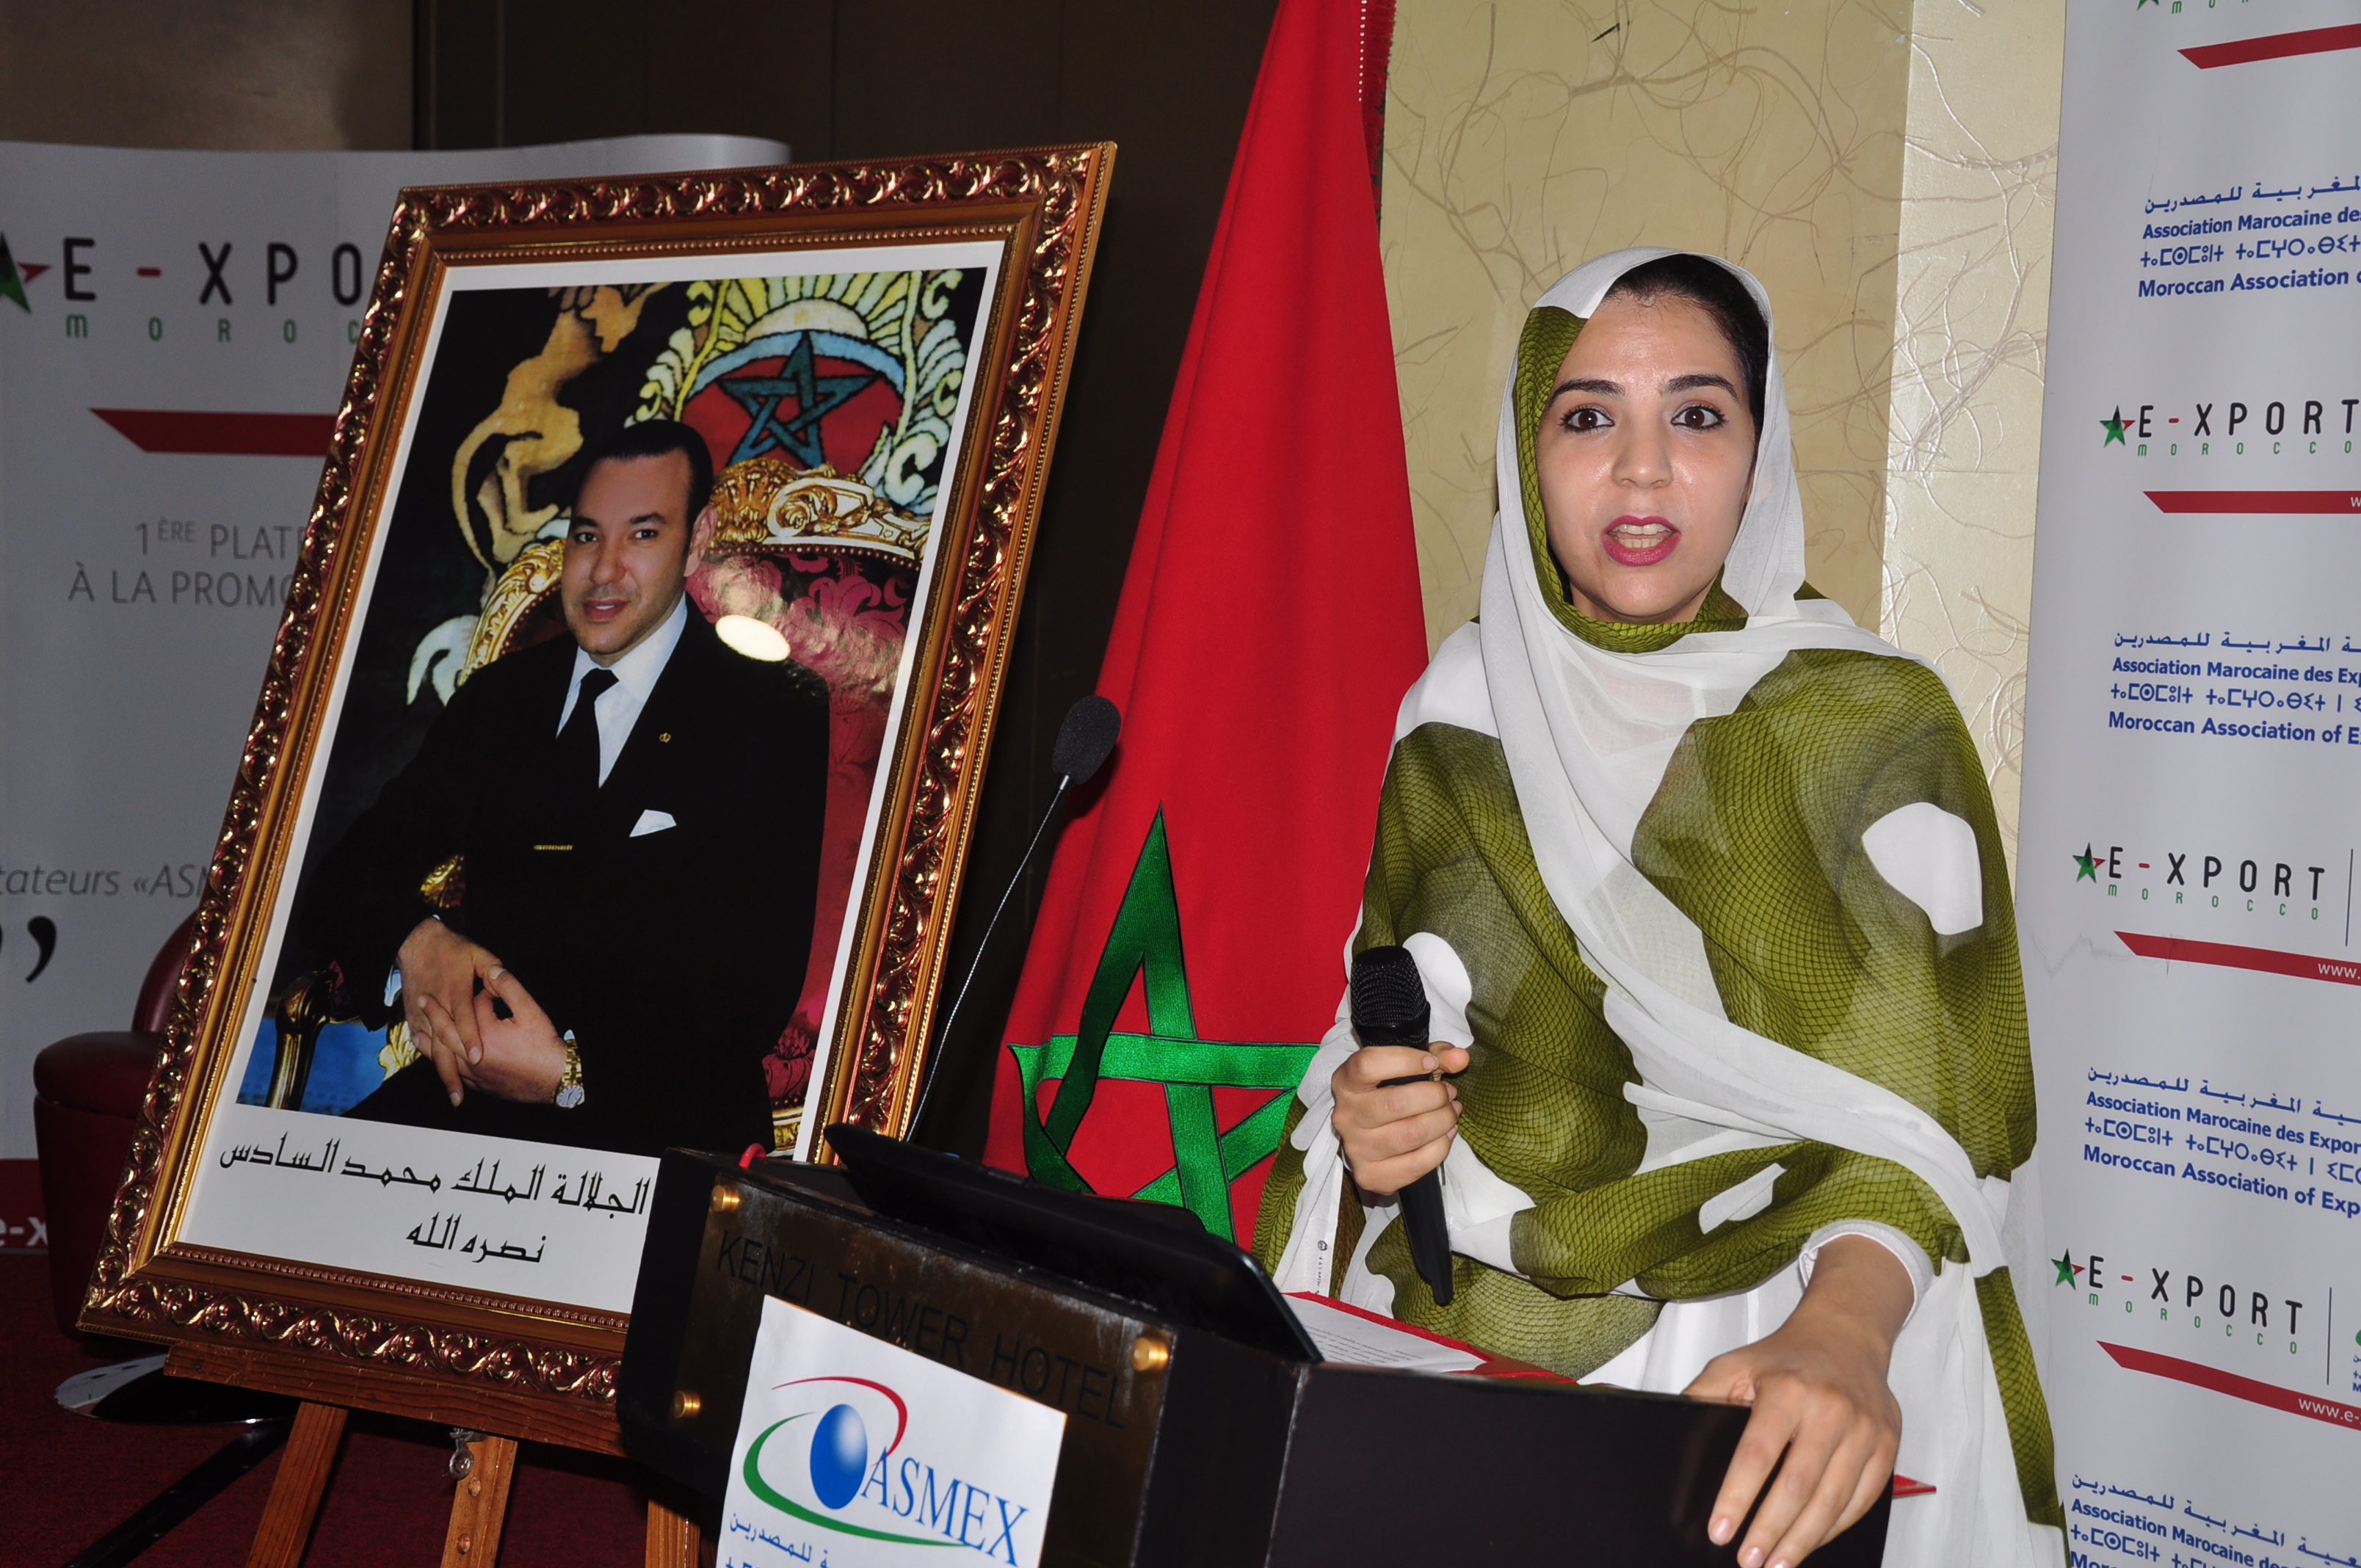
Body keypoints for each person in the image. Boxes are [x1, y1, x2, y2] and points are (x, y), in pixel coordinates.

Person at [1253, 251, 2062, 1568]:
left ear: (1760, 454)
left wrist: (1842, 1334)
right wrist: (1372, 1118)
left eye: (1695, 415)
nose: (1641, 471)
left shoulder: (1868, 721)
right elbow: (1388, 1014)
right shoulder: (1460, 705)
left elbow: (1938, 1112)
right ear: (1529, 454)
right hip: (1464, 1340)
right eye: (1588, 417)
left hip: (1777, 1340)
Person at [305, 419, 831, 1159]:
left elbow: (751, 995)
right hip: (472, 1102)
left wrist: (571, 1075)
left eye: (642, 535)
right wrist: (415, 944)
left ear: (698, 539)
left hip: (664, 1126)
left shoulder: (772, 712)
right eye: (587, 537)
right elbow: (345, 874)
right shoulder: (503, 698)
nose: (604, 571)